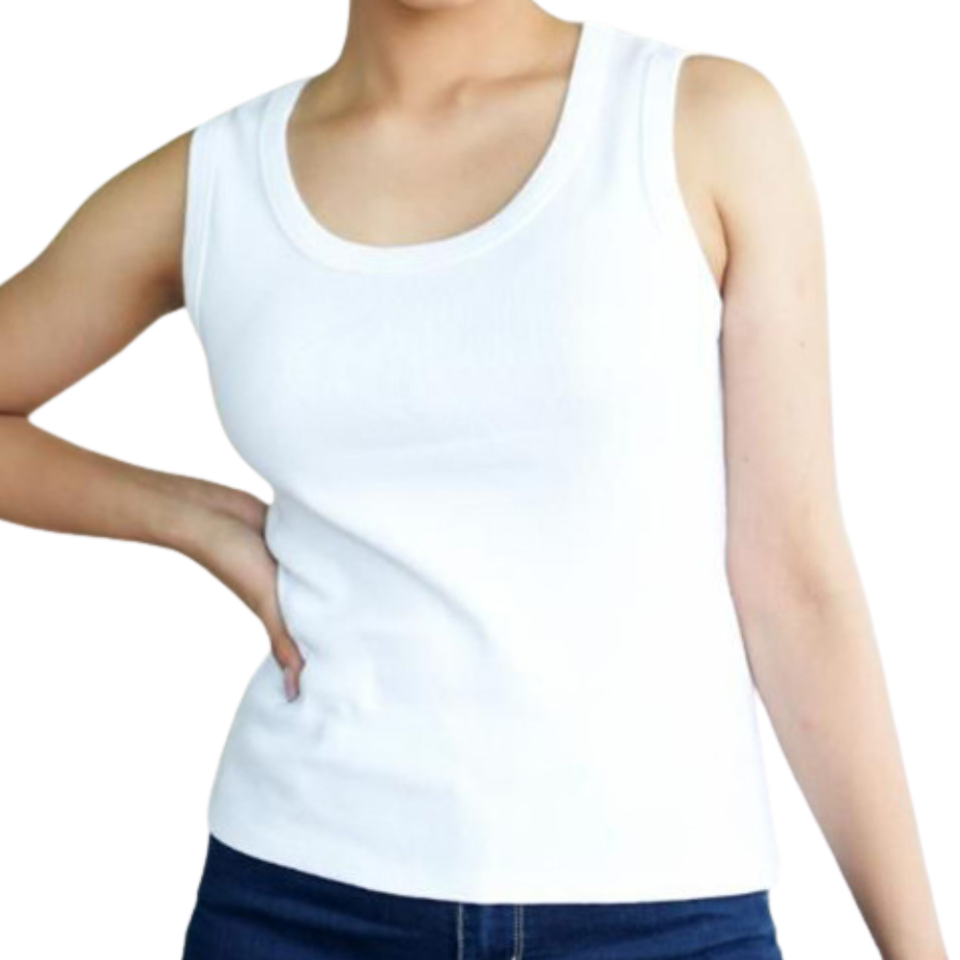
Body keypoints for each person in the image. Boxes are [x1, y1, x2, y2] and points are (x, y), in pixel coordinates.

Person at [0, 0, 950, 958]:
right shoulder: (215, 183)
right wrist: (186, 516)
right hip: (298, 902)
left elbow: (795, 583)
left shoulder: (699, 123)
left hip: (662, 913)